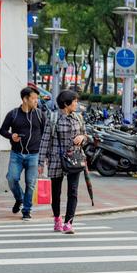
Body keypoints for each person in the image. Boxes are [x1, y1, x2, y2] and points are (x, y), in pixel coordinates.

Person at [38, 90, 89, 234]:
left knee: (73, 191)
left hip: (75, 159)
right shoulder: (53, 118)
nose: (76, 104)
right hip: (56, 159)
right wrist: (40, 163)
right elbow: (45, 141)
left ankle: (68, 223)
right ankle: (57, 219)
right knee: (56, 192)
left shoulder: (78, 117)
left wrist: (82, 138)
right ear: (66, 104)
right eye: (74, 101)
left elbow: (86, 135)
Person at [0, 86, 46, 220]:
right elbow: (2, 130)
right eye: (34, 98)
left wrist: (43, 157)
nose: (36, 101)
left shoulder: (40, 114)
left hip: (34, 155)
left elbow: (45, 135)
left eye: (37, 98)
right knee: (12, 179)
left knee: (30, 183)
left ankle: (26, 210)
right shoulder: (13, 114)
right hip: (16, 154)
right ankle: (19, 198)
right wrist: (11, 135)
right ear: (25, 99)